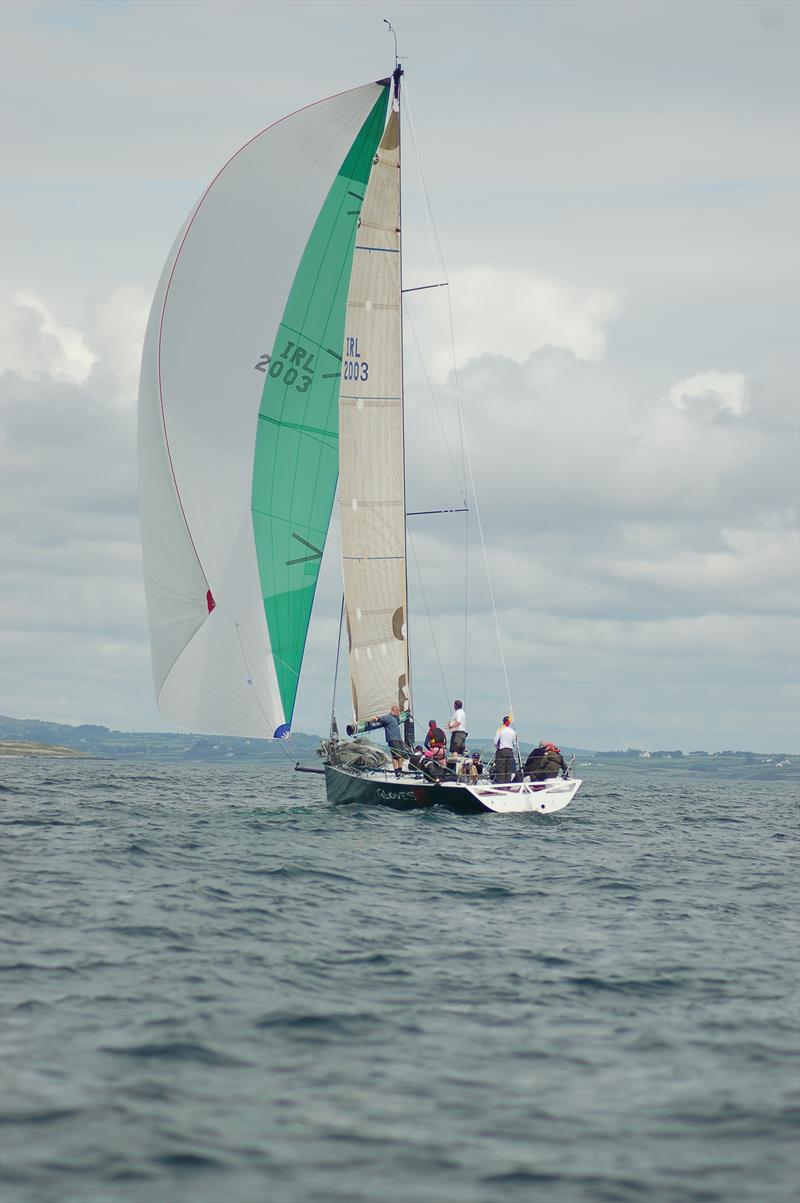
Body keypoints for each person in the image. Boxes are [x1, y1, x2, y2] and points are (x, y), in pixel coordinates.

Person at [368, 704, 405, 776]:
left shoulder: (396, 718)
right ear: (394, 711)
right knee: (396, 756)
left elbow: (398, 719)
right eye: (398, 712)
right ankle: (396, 771)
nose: (398, 713)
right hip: (392, 739)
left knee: (401, 756)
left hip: (398, 739)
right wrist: (375, 718)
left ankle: (400, 769)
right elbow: (379, 719)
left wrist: (398, 716)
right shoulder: (388, 717)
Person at [494, 716, 517, 783]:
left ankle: (501, 786)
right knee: (508, 771)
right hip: (510, 751)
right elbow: (515, 744)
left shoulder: (500, 730)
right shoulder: (513, 732)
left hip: (502, 751)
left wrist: (497, 747)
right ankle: (507, 785)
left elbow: (495, 741)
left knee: (501, 770)